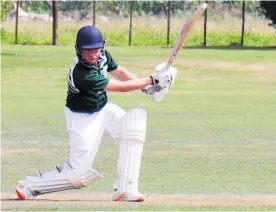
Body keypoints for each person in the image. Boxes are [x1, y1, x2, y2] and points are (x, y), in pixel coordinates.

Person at [15, 26, 177, 202]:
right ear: (78, 50)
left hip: (103, 109)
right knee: (79, 174)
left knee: (134, 122)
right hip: (82, 119)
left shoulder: (102, 55)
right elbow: (120, 88)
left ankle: (126, 189)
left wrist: (148, 88)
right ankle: (30, 185)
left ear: (102, 47)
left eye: (96, 48)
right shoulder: (81, 73)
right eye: (88, 50)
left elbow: (119, 72)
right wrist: (152, 80)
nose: (93, 53)